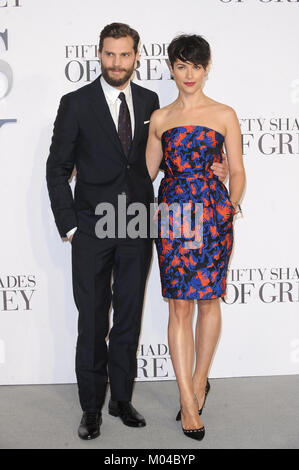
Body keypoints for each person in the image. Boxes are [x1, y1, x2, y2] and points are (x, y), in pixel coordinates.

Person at [46, 23, 229, 441]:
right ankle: (91, 408)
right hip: (92, 227)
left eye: (125, 55)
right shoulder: (75, 103)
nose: (117, 62)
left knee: (128, 317)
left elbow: (164, 161)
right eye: (110, 55)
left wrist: (216, 168)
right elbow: (57, 169)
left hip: (139, 226)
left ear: (136, 57)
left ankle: (121, 399)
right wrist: (70, 224)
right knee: (93, 320)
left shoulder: (150, 102)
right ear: (99, 55)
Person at [146, 34, 245, 441]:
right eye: (182, 66)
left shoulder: (224, 114)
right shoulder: (160, 118)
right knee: (179, 308)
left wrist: (230, 205)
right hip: (173, 220)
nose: (189, 75)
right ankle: (187, 400)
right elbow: (143, 175)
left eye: (197, 66)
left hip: (213, 219)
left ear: (207, 69)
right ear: (171, 68)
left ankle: (200, 380)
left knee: (208, 300)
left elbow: (237, 171)